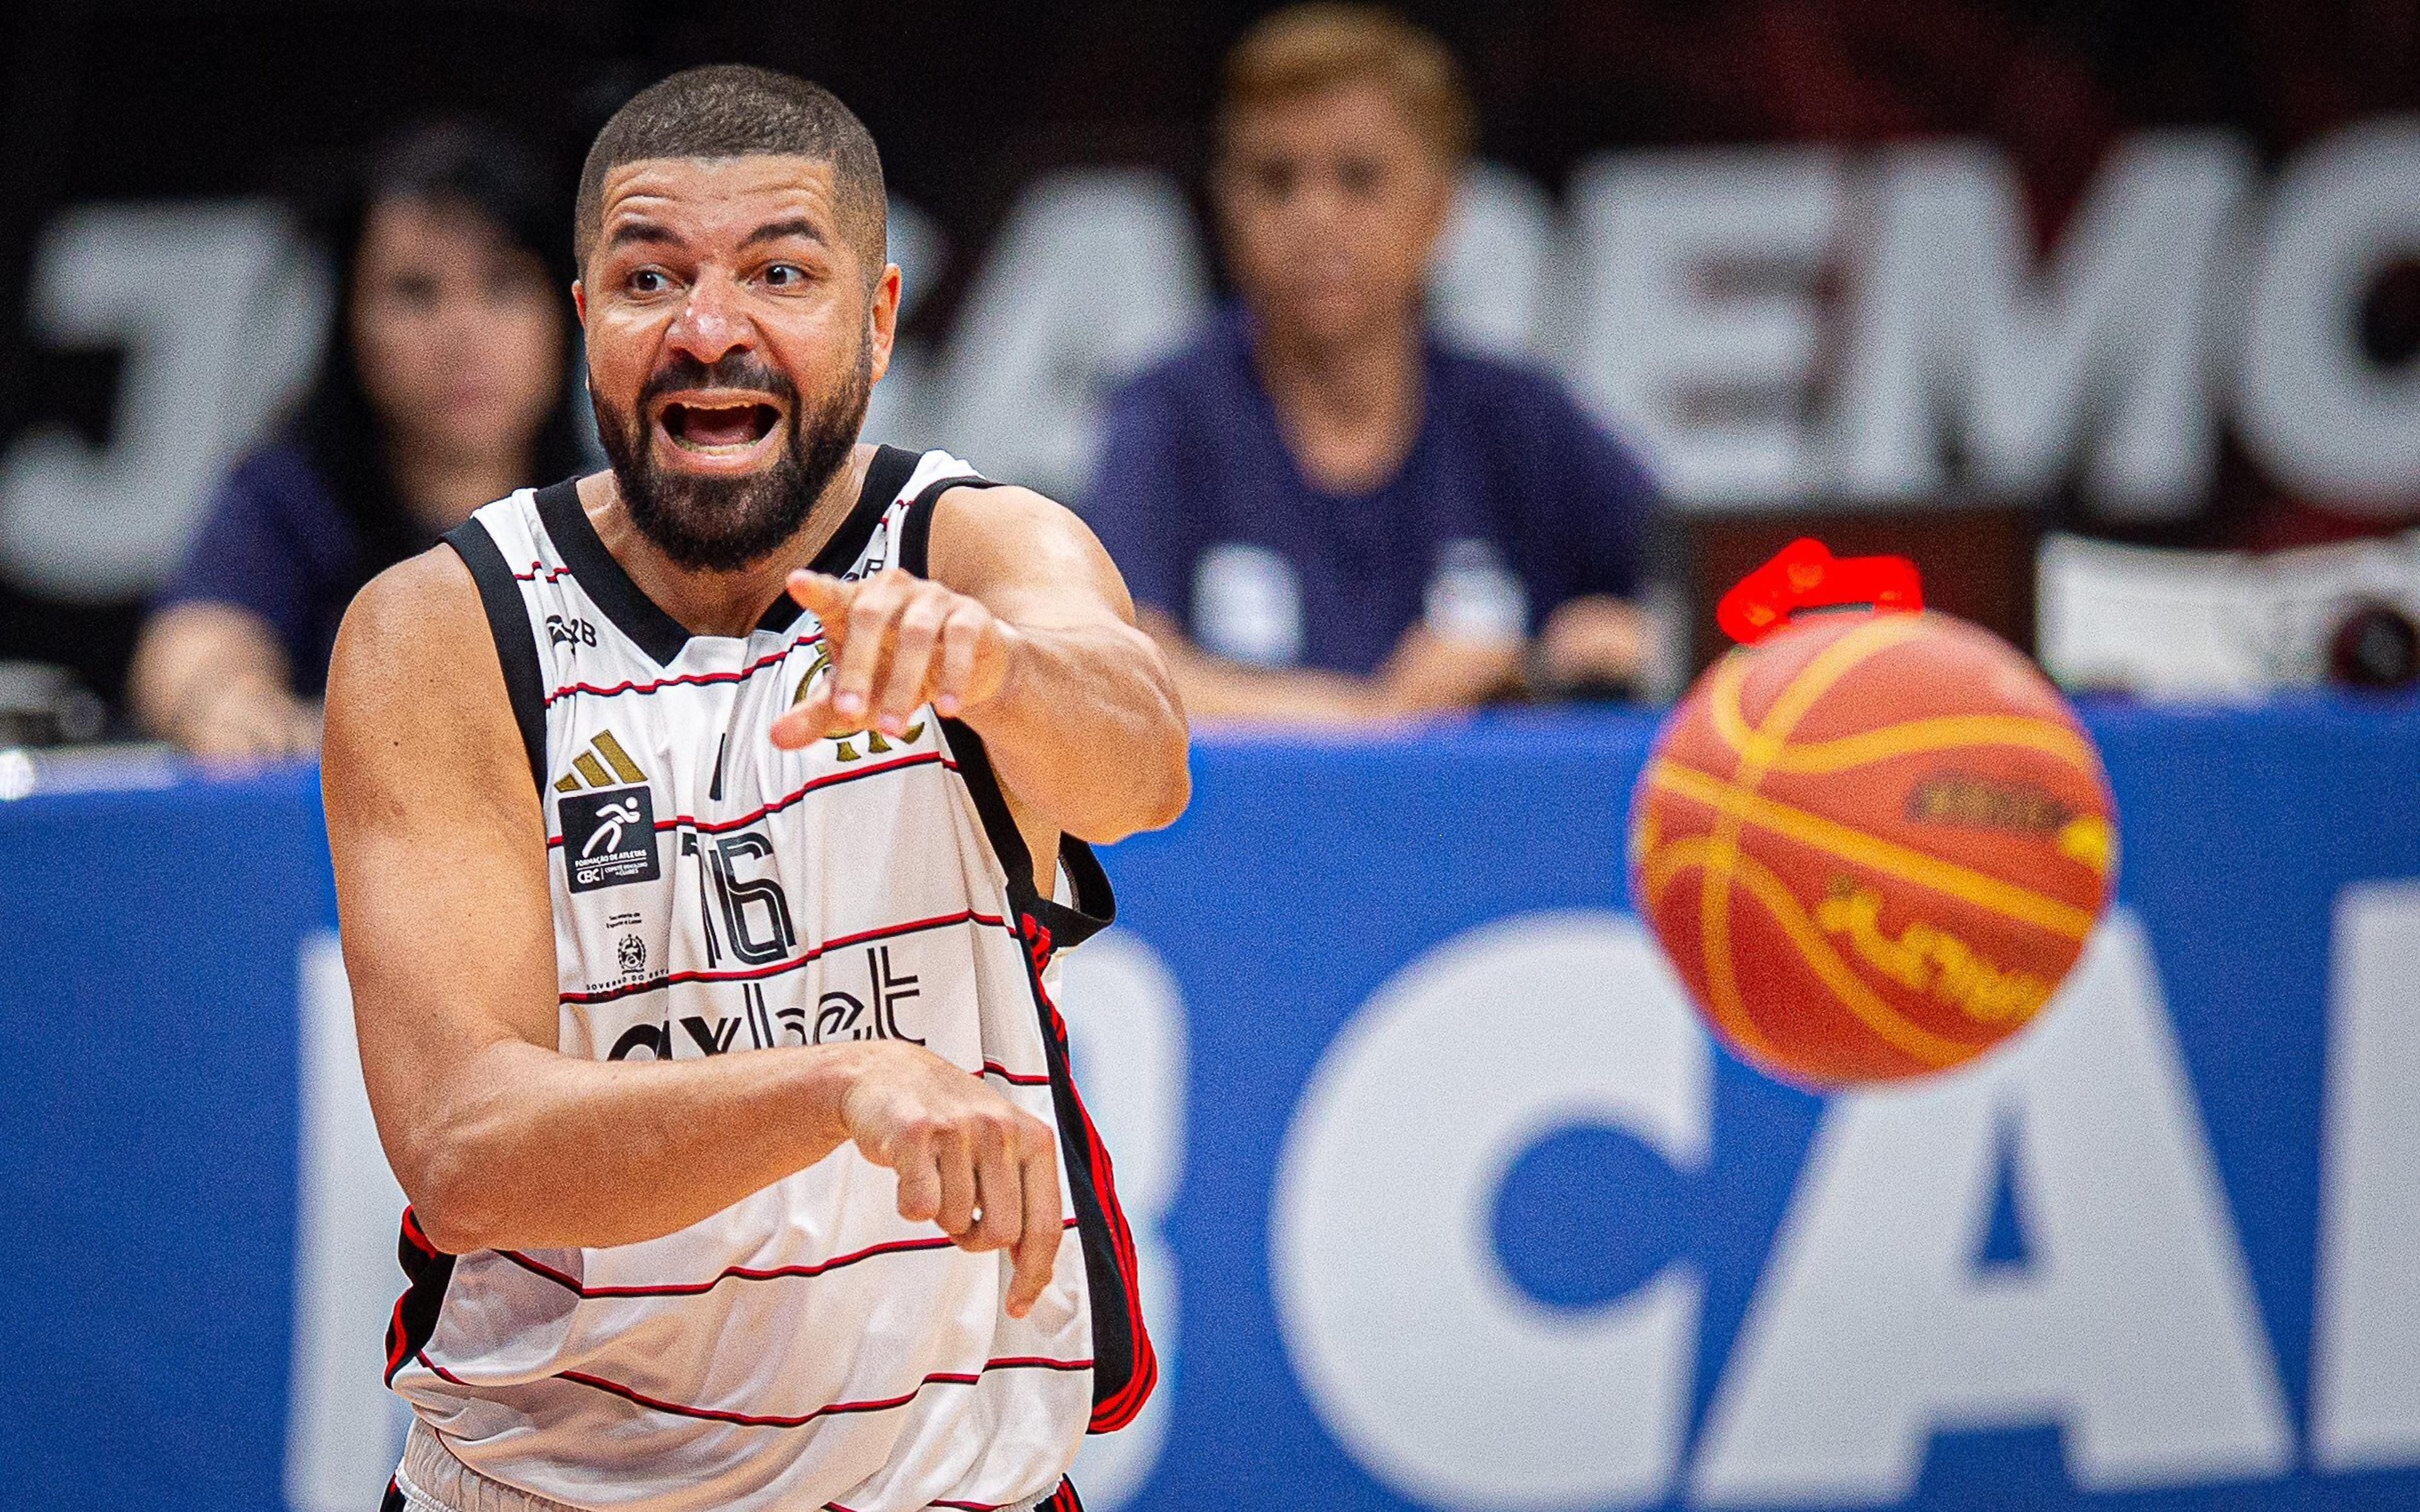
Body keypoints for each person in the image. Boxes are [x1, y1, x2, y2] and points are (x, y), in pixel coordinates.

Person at [321, 66, 1188, 1512]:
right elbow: (467, 1149)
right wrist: (842, 1084)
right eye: (653, 275)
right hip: (555, 1484)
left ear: (878, 315)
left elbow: (1141, 761)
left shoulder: (973, 546)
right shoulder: (442, 623)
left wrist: (1004, 674)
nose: (710, 327)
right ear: (586, 316)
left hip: (945, 1483)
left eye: (778, 271)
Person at [1086, 4, 1656, 722]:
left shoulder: (1521, 420)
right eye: (1276, 179)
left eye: (1358, 178)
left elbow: (1690, 609)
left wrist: (1571, 655)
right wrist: (1383, 715)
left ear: (1439, 208)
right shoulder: (1168, 415)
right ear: (1226, 202)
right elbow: (1121, 671)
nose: (1315, 214)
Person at [130, 121, 585, 759]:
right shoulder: (288, 501)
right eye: (414, 293)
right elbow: (192, 652)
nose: (461, 334)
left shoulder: (618, 504)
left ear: (568, 312)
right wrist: (227, 702)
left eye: (503, 285)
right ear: (349, 321)